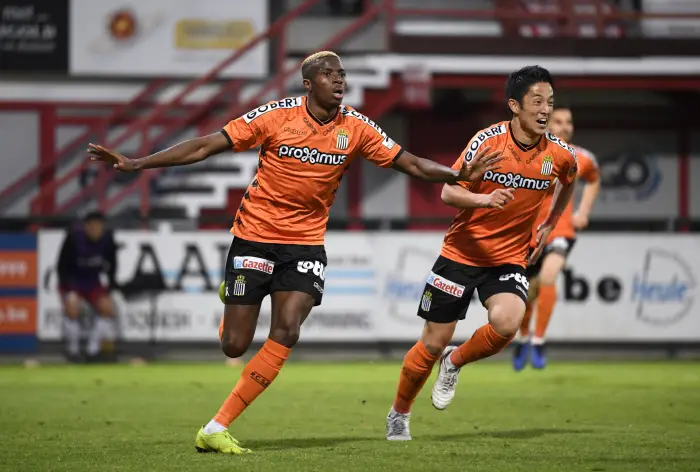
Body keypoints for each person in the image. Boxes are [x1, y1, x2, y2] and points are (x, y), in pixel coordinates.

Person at [87, 50, 503, 455]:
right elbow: (205, 146)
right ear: (308, 84)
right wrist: (138, 163)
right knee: (234, 345)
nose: (339, 80)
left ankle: (217, 427)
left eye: (341, 73)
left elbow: (408, 163)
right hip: (254, 235)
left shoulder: (355, 126)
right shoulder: (276, 116)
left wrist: (456, 173)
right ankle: (231, 294)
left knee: (287, 329)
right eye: (329, 74)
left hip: (305, 243)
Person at [386, 65, 578, 441]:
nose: (544, 110)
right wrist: (484, 198)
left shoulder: (559, 154)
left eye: (550, 102)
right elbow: (448, 191)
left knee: (508, 323)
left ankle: (455, 361)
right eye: (536, 101)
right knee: (431, 343)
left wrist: (551, 222)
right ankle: (399, 413)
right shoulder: (487, 143)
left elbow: (567, 183)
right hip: (461, 253)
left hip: (507, 259)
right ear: (514, 106)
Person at [512, 106, 600, 370]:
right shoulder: (534, 154)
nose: (565, 126)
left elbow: (594, 178)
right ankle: (523, 337)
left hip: (560, 230)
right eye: (558, 121)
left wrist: (583, 212)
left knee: (549, 276)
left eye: (568, 122)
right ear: (547, 125)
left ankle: (538, 341)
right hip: (529, 234)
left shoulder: (581, 157)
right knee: (529, 291)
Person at [57, 210, 119, 363]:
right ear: (85, 227)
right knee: (72, 308)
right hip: (72, 281)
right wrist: (69, 290)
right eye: (92, 226)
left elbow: (113, 263)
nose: (95, 230)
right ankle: (72, 350)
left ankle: (93, 350)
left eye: (99, 226)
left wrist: (110, 284)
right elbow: (61, 265)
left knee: (107, 308)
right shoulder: (73, 239)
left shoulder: (107, 239)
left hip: (93, 282)